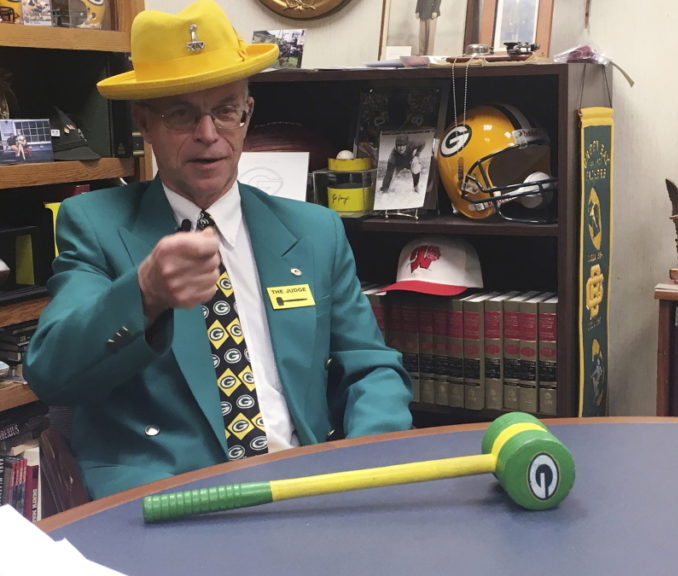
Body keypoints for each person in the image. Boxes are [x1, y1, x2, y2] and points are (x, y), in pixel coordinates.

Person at [24, 0, 413, 499]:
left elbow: (370, 366)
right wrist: (143, 295)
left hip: (305, 485)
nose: (209, 135)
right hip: (168, 500)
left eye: (225, 110)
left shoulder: (315, 231)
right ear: (145, 123)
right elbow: (51, 376)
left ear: (247, 115)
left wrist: (367, 461)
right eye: (182, 113)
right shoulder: (96, 224)